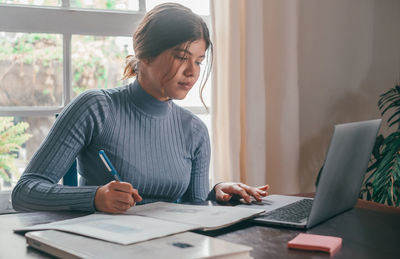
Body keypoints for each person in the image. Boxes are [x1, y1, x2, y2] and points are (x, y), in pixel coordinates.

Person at [12, 3, 269, 214]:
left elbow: (195, 210)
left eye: (199, 61)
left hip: (172, 252)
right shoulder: (95, 108)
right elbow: (25, 192)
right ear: (144, 55)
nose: (192, 72)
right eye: (181, 57)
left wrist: (216, 193)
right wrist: (95, 197)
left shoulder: (195, 130)